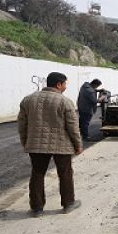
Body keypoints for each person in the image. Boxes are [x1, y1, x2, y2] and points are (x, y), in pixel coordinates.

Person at [18, 72, 83, 217]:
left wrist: (25, 142)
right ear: (59, 84)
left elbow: (22, 124)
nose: (66, 87)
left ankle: (36, 208)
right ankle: (68, 204)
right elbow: (73, 126)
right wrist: (78, 144)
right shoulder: (65, 101)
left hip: (36, 145)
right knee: (65, 174)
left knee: (37, 174)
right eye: (65, 84)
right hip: (62, 144)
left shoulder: (28, 100)